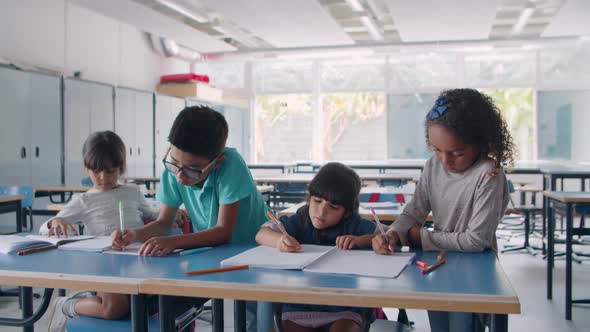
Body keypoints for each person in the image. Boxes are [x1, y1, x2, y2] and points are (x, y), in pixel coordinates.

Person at [111, 105, 272, 331]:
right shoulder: (174, 169)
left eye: (192, 169)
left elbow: (223, 231)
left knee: (256, 319)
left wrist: (173, 242)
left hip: (255, 252)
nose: (180, 175)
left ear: (216, 162)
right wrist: (134, 235)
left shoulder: (231, 164)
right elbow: (164, 223)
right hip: (212, 252)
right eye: (175, 162)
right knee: (165, 302)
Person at [373, 88, 515, 332]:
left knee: (464, 326)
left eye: (457, 152)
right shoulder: (433, 167)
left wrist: (421, 236)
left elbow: (476, 240)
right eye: (437, 150)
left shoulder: (489, 174)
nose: (445, 161)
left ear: (481, 143)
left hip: (475, 272)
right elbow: (413, 212)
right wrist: (394, 233)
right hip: (437, 266)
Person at [41, 130, 160, 331]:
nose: (103, 178)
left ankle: (91, 300)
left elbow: (151, 213)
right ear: (86, 168)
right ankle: (65, 305)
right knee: (114, 309)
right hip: (104, 265)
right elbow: (45, 227)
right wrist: (56, 222)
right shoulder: (84, 200)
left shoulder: (132, 191)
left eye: (111, 171)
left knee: (145, 306)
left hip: (137, 261)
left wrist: (171, 215)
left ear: (121, 168)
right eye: (96, 171)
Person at [256, 162, 376, 332]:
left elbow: (385, 235)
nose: (321, 212)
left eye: (333, 207)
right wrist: (279, 240)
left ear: (347, 211)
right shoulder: (300, 220)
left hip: (344, 308)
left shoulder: (352, 225)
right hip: (299, 305)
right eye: (317, 201)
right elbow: (261, 234)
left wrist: (359, 241)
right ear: (309, 198)